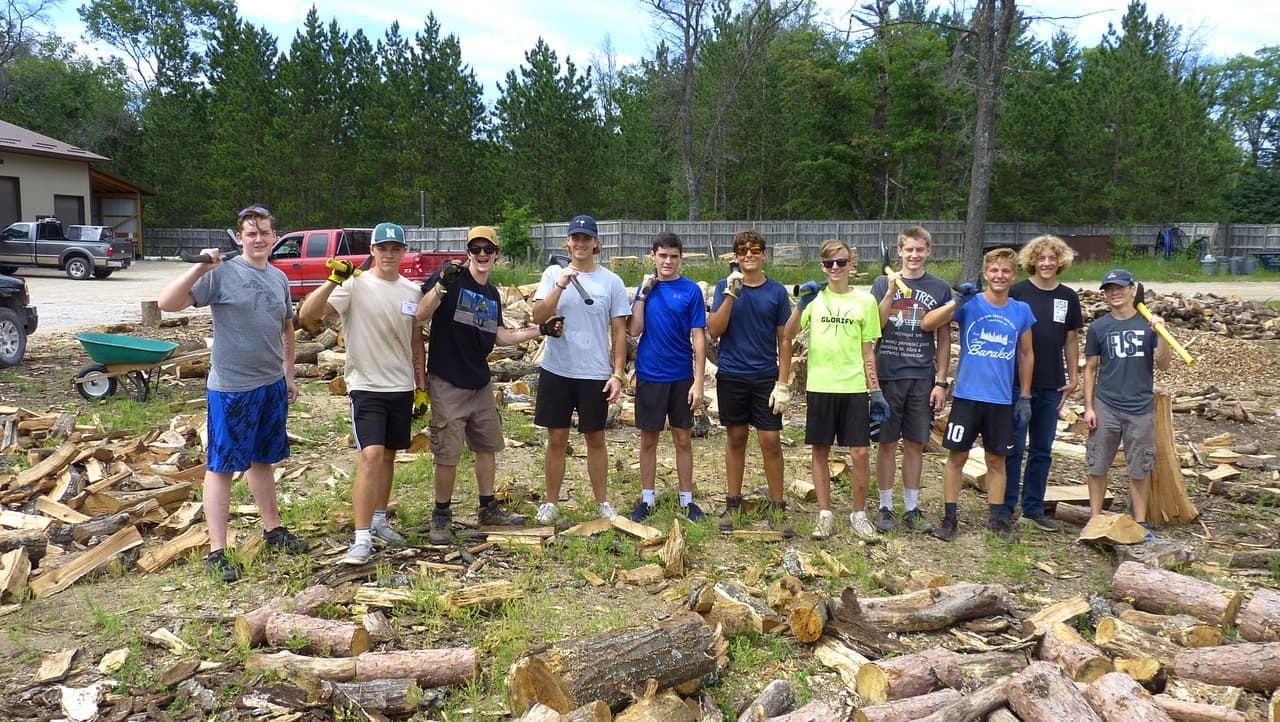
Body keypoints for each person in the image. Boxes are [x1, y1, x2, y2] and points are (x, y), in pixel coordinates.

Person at [157, 205, 309, 582]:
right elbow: (167, 304)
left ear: (275, 237)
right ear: (240, 238)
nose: (259, 239)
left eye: (264, 233)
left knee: (264, 460)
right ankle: (217, 550)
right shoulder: (221, 274)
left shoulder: (278, 278)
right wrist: (200, 268)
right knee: (222, 467)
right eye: (251, 233)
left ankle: (273, 530)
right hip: (232, 390)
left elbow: (287, 329)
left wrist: (288, 375)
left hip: (271, 385)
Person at [414, 226, 564, 543]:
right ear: (468, 252)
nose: (482, 255)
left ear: (496, 254)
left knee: (487, 446)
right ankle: (441, 514)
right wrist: (440, 284)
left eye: (488, 250)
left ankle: (487, 507)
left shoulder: (491, 293)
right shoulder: (451, 281)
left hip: (479, 382)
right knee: (447, 453)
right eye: (476, 249)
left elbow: (500, 335)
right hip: (447, 380)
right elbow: (420, 315)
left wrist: (540, 329)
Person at [298, 222, 425, 564]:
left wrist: (421, 385)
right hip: (366, 385)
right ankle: (361, 537)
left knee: (388, 456)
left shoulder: (411, 291)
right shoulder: (353, 284)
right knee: (370, 456)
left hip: (400, 386)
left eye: (394, 248)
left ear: (403, 252)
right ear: (372, 251)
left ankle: (381, 520)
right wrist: (333, 280)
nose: (388, 254)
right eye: (381, 248)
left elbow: (416, 342)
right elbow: (307, 314)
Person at [921, 247, 1035, 542]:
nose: (1000, 276)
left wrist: (1024, 395)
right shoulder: (972, 304)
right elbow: (928, 323)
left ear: (1014, 275)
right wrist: (956, 301)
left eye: (1006, 271)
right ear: (986, 274)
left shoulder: (1020, 311)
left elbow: (1026, 353)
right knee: (956, 457)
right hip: (968, 396)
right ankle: (949, 517)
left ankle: (997, 520)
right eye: (994, 271)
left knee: (997, 461)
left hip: (1000, 400)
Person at [784, 239, 886, 541]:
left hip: (853, 387)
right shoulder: (815, 299)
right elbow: (788, 334)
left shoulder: (865, 302)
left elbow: (869, 351)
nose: (836, 268)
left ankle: (858, 514)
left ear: (851, 264)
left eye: (841, 262)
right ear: (822, 267)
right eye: (830, 264)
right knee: (820, 450)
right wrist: (801, 304)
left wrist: (875, 391)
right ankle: (825, 514)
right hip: (820, 385)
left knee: (860, 452)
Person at [531, 215, 630, 523]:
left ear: (595, 243)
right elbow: (538, 315)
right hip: (557, 369)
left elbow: (618, 331)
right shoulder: (553, 273)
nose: (581, 243)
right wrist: (560, 285)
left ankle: (602, 502)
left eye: (587, 238)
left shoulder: (610, 282)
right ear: (568, 241)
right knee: (557, 438)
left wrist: (617, 374)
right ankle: (550, 502)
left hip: (594, 372)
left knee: (595, 438)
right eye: (576, 238)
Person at [706, 229, 793, 535]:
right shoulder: (723, 287)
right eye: (742, 251)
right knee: (736, 437)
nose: (749, 255)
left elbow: (785, 338)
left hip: (765, 375)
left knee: (770, 441)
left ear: (764, 254)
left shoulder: (777, 292)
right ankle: (733, 504)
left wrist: (783, 382)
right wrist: (731, 294)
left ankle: (778, 505)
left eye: (754, 250)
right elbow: (714, 330)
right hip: (732, 373)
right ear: (736, 257)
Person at [870, 226, 952, 534]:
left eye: (920, 250)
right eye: (909, 250)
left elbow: (944, 338)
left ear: (928, 251)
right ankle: (885, 506)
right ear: (900, 251)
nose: (914, 255)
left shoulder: (940, 288)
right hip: (889, 375)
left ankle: (912, 507)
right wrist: (891, 291)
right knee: (887, 442)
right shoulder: (882, 283)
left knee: (916, 443)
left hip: (922, 376)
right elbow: (874, 327)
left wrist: (941, 381)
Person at [1003, 236, 1084, 532]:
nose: (1047, 263)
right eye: (1041, 259)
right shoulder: (1017, 292)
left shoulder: (1068, 297)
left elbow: (1071, 338)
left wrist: (1073, 375)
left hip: (1051, 384)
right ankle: (1006, 507)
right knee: (1013, 446)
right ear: (1032, 261)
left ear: (1060, 261)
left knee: (1042, 448)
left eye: (1052, 258)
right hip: (1016, 383)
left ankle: (1033, 507)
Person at [1083, 269, 1171, 539]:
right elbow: (1090, 368)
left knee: (1139, 468)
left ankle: (1141, 522)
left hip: (1140, 407)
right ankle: (1095, 518)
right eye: (1109, 289)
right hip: (1106, 404)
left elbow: (1164, 364)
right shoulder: (1099, 327)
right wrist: (1088, 406)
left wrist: (1162, 333)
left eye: (1120, 287)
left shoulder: (1148, 325)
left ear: (1133, 290)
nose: (1114, 293)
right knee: (1097, 464)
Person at [627, 231, 708, 523]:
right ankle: (647, 499)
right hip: (650, 373)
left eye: (673, 256)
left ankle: (687, 500)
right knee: (649, 439)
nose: (668, 261)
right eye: (662, 256)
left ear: (680, 258)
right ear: (653, 257)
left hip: (681, 375)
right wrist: (642, 295)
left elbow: (699, 336)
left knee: (683, 438)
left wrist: (699, 381)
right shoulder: (645, 289)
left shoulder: (691, 291)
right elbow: (634, 330)